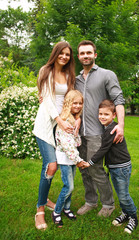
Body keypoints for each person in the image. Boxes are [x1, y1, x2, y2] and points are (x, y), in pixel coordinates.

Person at [75, 40, 125, 217]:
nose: (85, 56)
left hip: (98, 134)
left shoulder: (106, 75)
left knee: (95, 169)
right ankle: (90, 201)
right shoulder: (77, 80)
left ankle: (108, 204)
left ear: (95, 55)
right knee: (83, 169)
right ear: (79, 56)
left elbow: (118, 99)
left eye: (89, 52)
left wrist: (120, 125)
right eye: (82, 53)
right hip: (79, 134)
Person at [33, 41, 76, 230]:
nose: (64, 57)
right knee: (51, 165)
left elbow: (71, 98)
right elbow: (47, 99)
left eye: (67, 54)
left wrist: (73, 119)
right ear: (56, 53)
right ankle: (40, 210)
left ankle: (44, 198)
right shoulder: (46, 70)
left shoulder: (68, 75)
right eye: (62, 53)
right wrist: (59, 119)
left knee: (56, 166)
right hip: (46, 123)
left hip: (62, 125)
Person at [82, 100, 138, 234]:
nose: (102, 116)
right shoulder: (107, 128)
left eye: (106, 114)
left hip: (121, 167)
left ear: (114, 115)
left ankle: (133, 218)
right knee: (120, 193)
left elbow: (103, 150)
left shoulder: (112, 129)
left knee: (123, 195)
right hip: (114, 166)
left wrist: (89, 162)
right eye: (100, 114)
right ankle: (125, 213)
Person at [52, 90, 86, 227]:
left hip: (72, 158)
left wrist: (77, 129)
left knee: (70, 187)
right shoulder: (65, 120)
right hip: (65, 158)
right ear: (68, 103)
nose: (77, 106)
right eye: (75, 103)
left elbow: (76, 142)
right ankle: (56, 211)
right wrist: (78, 160)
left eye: (80, 103)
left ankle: (67, 208)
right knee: (69, 186)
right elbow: (67, 146)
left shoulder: (74, 118)